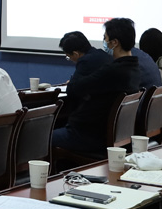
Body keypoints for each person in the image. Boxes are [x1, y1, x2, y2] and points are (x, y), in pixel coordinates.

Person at [52, 19, 140, 155]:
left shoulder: (112, 71)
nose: (104, 42)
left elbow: (75, 88)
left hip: (88, 136)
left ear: (114, 43)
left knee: (41, 138)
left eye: (105, 38)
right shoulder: (134, 69)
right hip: (112, 134)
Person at [58, 30, 112, 128]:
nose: (70, 60)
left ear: (76, 54)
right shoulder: (103, 55)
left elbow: (71, 90)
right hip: (106, 116)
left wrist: (72, 83)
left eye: (69, 57)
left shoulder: (86, 61)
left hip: (92, 122)